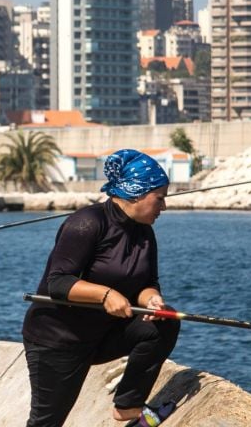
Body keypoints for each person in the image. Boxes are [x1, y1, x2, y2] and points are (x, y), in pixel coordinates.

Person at [22, 149, 180, 427]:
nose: (164, 207)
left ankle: (128, 405)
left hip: (101, 334)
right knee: (47, 422)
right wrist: (105, 294)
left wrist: (152, 299)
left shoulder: (145, 232)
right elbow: (57, 283)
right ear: (136, 193)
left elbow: (147, 282)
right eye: (160, 198)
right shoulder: (86, 223)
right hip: (58, 340)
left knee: (165, 324)